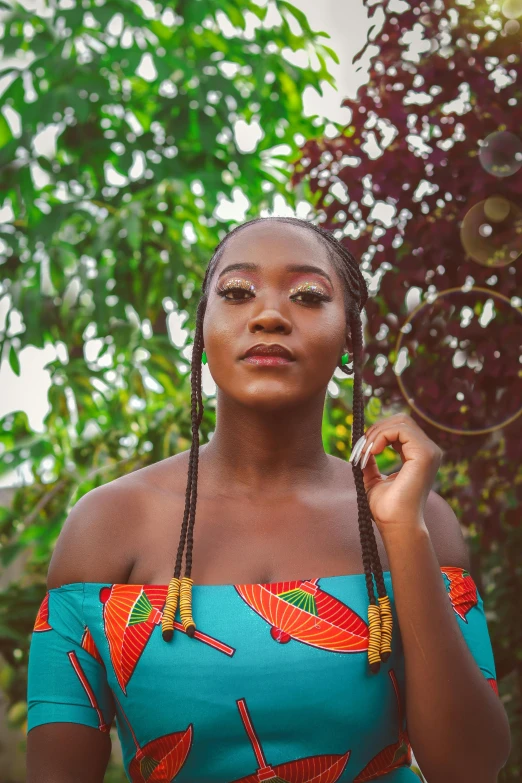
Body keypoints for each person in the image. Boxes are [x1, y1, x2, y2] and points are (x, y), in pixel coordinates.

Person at [26, 217, 511, 782]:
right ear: (202, 334)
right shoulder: (108, 525)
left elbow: (470, 767)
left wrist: (403, 534)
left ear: (351, 339)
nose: (269, 315)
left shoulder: (420, 519)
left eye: (308, 296)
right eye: (236, 293)